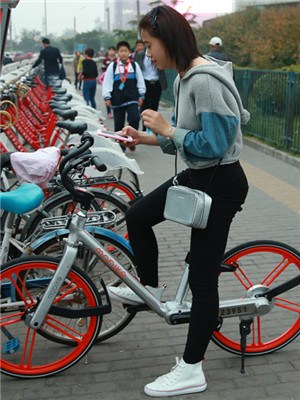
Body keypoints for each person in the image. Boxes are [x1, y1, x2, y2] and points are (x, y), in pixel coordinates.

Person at [108, 5, 249, 397]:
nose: (146, 54)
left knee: (203, 281)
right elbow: (186, 136)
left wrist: (168, 128)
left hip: (221, 184)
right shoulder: (183, 78)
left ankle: (191, 369)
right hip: (198, 174)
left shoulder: (203, 81)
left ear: (168, 40)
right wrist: (145, 137)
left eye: (149, 45)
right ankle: (149, 286)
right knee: (137, 215)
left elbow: (216, 144)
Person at [102, 40, 146, 150]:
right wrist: (107, 97)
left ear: (129, 53)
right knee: (119, 125)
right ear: (118, 53)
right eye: (121, 51)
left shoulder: (134, 66)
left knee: (135, 119)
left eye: (125, 51)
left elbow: (140, 81)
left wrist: (141, 95)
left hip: (132, 98)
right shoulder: (113, 66)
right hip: (117, 100)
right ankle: (122, 147)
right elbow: (107, 82)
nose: (123, 53)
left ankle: (131, 140)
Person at [134, 39, 168, 131]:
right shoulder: (141, 55)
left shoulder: (158, 55)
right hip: (145, 83)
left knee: (154, 106)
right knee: (145, 106)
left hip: (156, 83)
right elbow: (136, 68)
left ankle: (153, 128)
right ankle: (145, 128)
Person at [100, 46, 117, 118]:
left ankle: (115, 109)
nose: (111, 52)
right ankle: (109, 112)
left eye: (113, 50)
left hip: (116, 79)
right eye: (110, 50)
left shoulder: (117, 60)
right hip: (107, 79)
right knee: (107, 96)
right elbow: (103, 68)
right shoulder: (105, 60)